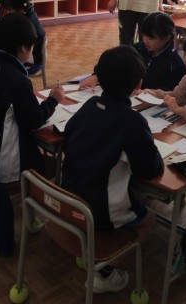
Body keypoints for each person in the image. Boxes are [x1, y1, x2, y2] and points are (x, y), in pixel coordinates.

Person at [62, 45, 164, 293]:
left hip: (69, 197)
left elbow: (68, 138)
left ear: (99, 77)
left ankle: (91, 250)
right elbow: (150, 169)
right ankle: (104, 271)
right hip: (99, 210)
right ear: (139, 84)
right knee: (149, 220)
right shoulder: (132, 121)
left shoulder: (90, 105)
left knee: (128, 189)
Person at [0, 13, 65, 256]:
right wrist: (53, 100)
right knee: (56, 164)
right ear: (23, 48)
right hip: (5, 165)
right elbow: (33, 120)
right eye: (31, 46)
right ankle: (36, 214)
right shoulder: (17, 80)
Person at [79, 12, 186, 92]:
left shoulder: (175, 64)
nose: (146, 41)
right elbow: (114, 63)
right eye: (144, 35)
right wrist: (97, 75)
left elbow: (175, 93)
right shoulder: (138, 49)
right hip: (128, 97)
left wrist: (151, 93)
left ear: (167, 38)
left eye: (151, 38)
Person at [0, 0, 46, 73]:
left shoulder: (26, 22)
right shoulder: (27, 12)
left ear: (17, 8)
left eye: (10, 10)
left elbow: (17, 43)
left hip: (31, 62)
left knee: (2, 68)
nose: (9, 13)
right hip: (25, 57)